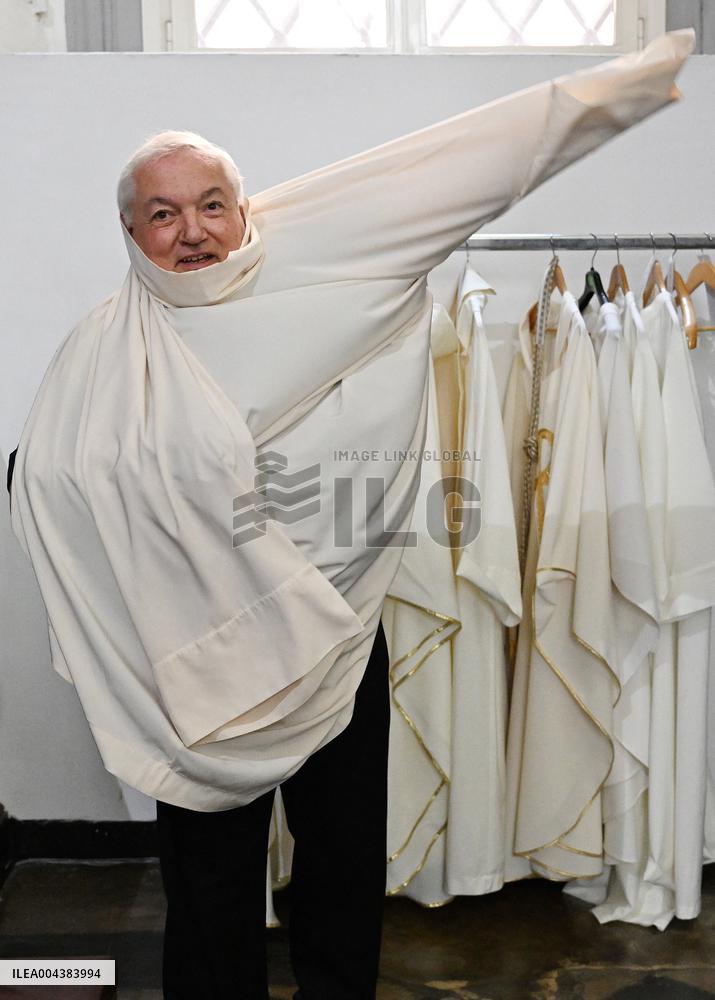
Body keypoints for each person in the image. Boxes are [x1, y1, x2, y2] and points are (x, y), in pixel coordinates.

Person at [7, 31, 693, 1000]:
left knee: (337, 863)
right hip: (188, 664)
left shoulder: (322, 289)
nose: (191, 229)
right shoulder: (104, 350)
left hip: (332, 639)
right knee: (207, 884)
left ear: (246, 215)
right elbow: (55, 482)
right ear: (130, 232)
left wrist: (605, 94)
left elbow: (456, 176)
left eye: (210, 205)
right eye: (161, 213)